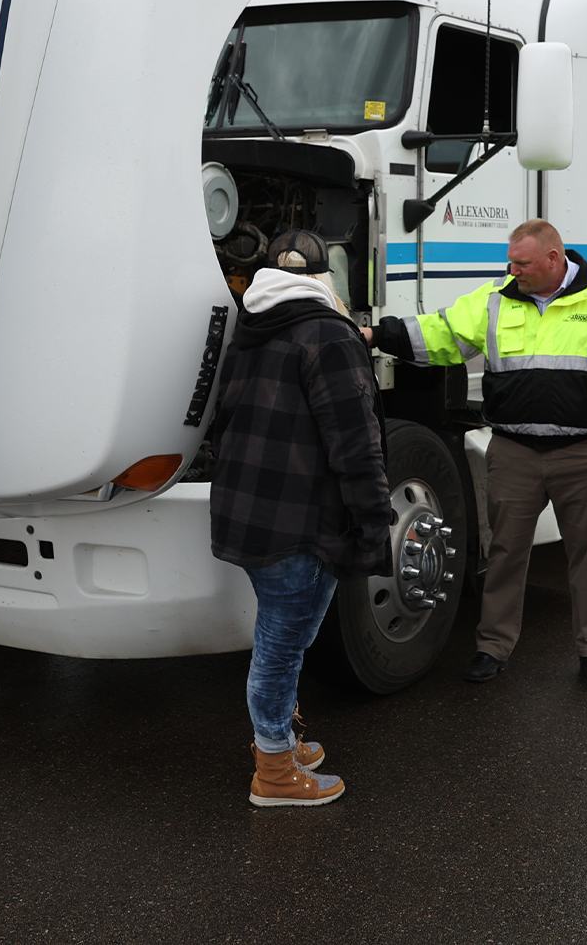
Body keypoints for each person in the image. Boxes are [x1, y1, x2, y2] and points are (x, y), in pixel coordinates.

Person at [366, 219, 587, 688]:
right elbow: (439, 334)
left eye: (522, 263)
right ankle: (492, 647)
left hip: (584, 454)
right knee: (504, 554)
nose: (512, 269)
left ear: (554, 259)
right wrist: (376, 335)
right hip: (515, 451)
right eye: (511, 261)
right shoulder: (495, 300)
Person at [209, 229, 394, 808]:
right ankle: (274, 772)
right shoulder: (327, 334)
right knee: (283, 644)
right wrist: (374, 515)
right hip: (304, 517)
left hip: (252, 509)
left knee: (287, 633)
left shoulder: (251, 326)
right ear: (323, 279)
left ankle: (281, 739)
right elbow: (354, 440)